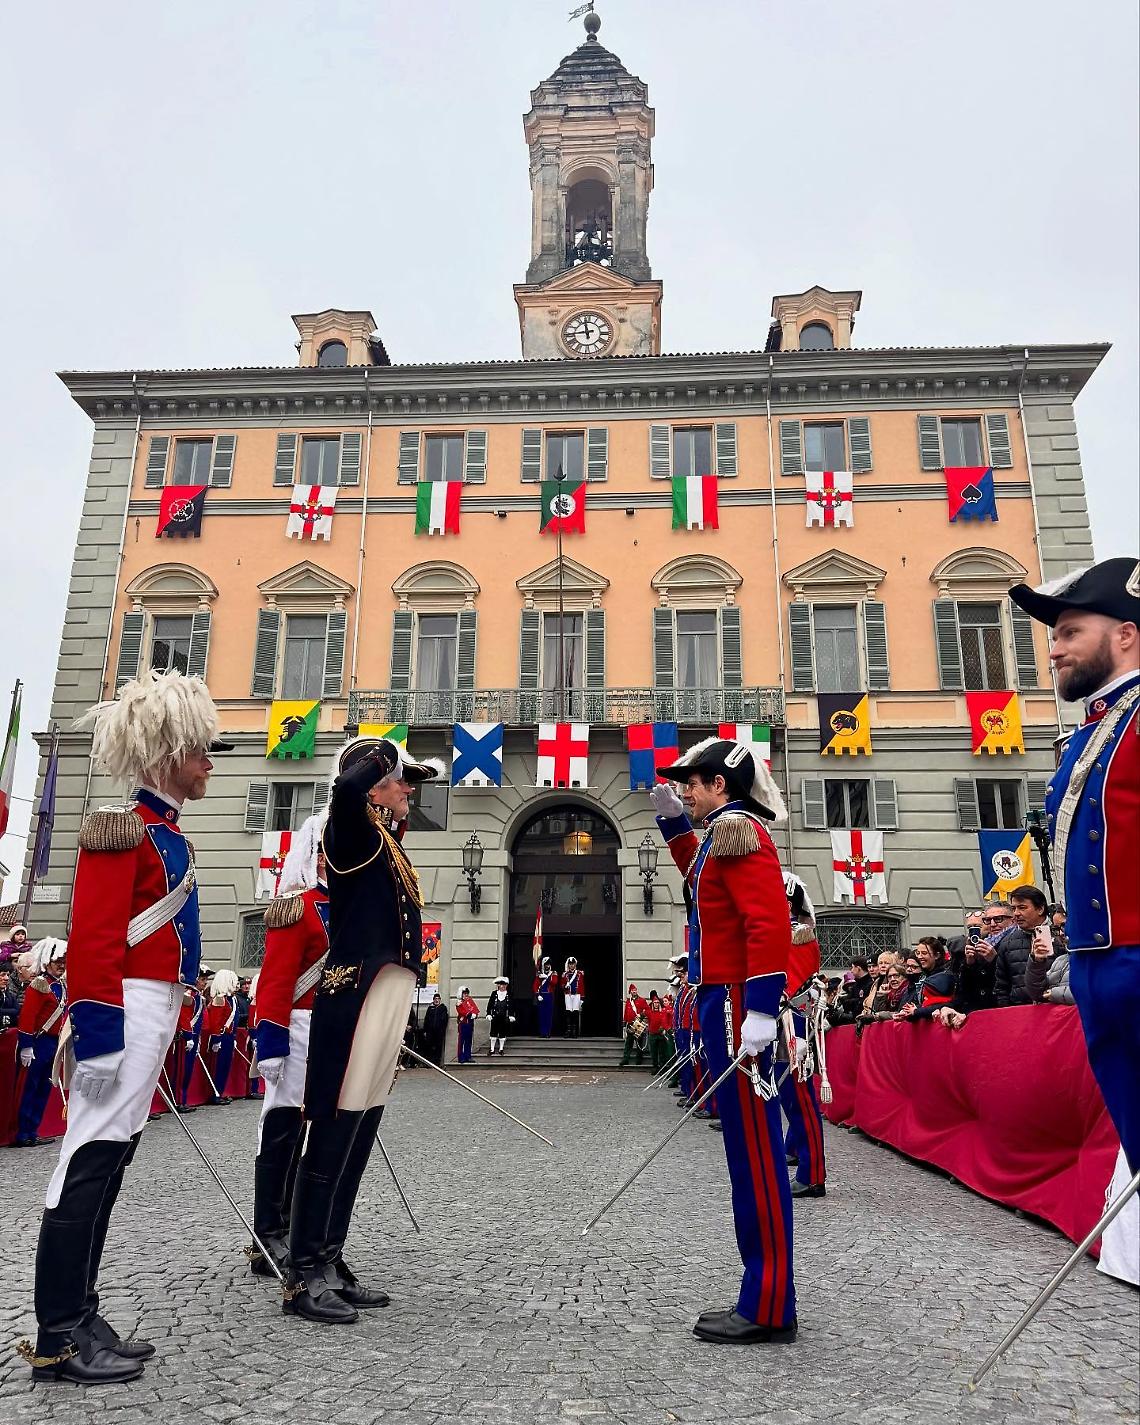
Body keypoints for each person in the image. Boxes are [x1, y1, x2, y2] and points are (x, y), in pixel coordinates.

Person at [19, 670, 230, 1385]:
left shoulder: (168, 833)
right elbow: (98, 939)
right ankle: (57, 1332)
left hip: (155, 1005)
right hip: (126, 1008)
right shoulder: (122, 828)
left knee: (111, 1161)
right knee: (85, 1161)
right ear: (167, 750)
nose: (208, 760)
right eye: (199, 748)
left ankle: (82, 1308)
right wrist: (101, 1035)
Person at [283, 735, 443, 1325]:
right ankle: (302, 1272)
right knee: (334, 1125)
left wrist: (392, 775)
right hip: (356, 993)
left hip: (389, 988)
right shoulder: (348, 829)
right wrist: (379, 753)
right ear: (373, 784)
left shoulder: (384, 837)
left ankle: (330, 1255)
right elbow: (345, 788)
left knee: (361, 1125)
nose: (410, 789)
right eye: (402, 780)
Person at [651, 736, 797, 1345]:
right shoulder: (716, 836)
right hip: (721, 999)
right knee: (743, 1150)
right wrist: (671, 825)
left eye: (694, 781)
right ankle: (760, 1291)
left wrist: (761, 1009)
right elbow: (701, 885)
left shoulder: (740, 831)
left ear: (723, 786)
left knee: (758, 1154)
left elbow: (767, 922)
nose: (686, 788)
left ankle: (768, 1304)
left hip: (740, 1000)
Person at [1010, 557, 1140, 1172]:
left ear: (1125, 633)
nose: (1053, 649)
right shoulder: (1089, 733)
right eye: (1053, 635)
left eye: (1069, 632)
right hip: (1094, 964)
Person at [248, 814, 329, 1280]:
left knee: (318, 1134)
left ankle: (299, 1229)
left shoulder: (351, 907)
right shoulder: (296, 907)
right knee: (282, 1129)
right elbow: (276, 981)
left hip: (332, 1033)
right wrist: (272, 1041)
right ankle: (267, 1232)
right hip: (297, 1029)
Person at [776, 876, 827, 1200]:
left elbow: (792, 981)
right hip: (779, 1020)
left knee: (802, 1096)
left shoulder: (799, 935)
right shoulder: (779, 932)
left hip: (795, 1020)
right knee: (786, 1092)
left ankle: (813, 1174)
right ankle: (794, 1147)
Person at [13, 939, 67, 1148]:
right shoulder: (40, 984)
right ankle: (22, 1132)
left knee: (44, 1087)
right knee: (30, 1087)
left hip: (54, 1043)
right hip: (38, 1042)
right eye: (57, 961)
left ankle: (33, 1130)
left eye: (63, 960)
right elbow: (28, 1017)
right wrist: (26, 1044)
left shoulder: (60, 985)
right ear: (47, 962)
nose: (61, 965)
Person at [994, 886, 1052, 1007]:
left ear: (1040, 909)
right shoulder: (1007, 943)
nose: (1016, 913)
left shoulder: (1061, 938)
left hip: (1058, 1012)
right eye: (1013, 908)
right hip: (1021, 1014)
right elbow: (1002, 988)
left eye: (1022, 908)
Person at [204, 968, 240, 1104]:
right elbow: (216, 1021)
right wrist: (216, 1039)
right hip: (221, 1037)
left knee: (225, 1066)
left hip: (229, 1037)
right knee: (218, 1067)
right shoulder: (220, 999)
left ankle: (220, 1091)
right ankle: (215, 1093)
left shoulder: (231, 999)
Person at [177, 969, 210, 1110]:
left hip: (194, 1037)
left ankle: (183, 1100)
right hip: (186, 1038)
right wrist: (189, 1037)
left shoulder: (197, 996)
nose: (205, 982)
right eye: (202, 979)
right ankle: (179, 1100)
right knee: (183, 1070)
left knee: (189, 1070)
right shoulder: (188, 995)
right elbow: (185, 1017)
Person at [620, 983, 650, 1066]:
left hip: (638, 1023)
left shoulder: (642, 1000)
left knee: (639, 1043)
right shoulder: (629, 1002)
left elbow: (648, 1010)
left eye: (635, 990)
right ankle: (625, 1059)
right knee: (628, 1043)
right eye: (633, 990)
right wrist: (624, 1023)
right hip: (630, 1024)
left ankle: (639, 1059)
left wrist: (642, 1015)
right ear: (630, 992)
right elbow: (626, 1013)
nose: (634, 991)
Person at [486, 975, 515, 1055]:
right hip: (495, 1016)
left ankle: (501, 1049)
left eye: (504, 985)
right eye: (501, 985)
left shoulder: (509, 994)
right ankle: (492, 1049)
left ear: (506, 985)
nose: (502, 986)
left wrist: (511, 1015)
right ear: (498, 985)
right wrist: (488, 1014)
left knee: (502, 1032)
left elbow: (512, 1006)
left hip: (504, 1016)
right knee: (493, 1032)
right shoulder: (494, 993)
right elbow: (490, 1005)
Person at [532, 956, 559, 1038]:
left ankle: (547, 1032)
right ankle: (542, 1032)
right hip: (541, 996)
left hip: (549, 995)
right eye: (546, 964)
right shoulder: (539, 973)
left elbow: (555, 982)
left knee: (548, 1015)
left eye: (549, 964)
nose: (547, 966)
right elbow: (535, 985)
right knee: (541, 1015)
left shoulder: (553, 973)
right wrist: (537, 994)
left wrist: (547, 977)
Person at [421, 993, 449, 1065]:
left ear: (440, 1000)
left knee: (438, 1047)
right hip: (430, 1032)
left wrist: (442, 1030)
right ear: (433, 1000)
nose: (437, 1000)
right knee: (429, 1046)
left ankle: (437, 1063)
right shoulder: (430, 1008)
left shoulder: (443, 1008)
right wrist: (425, 1030)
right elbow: (426, 1020)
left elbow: (444, 1020)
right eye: (435, 999)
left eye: (438, 999)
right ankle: (429, 1062)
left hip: (439, 1032)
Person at [646, 990, 669, 1075]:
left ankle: (662, 1067)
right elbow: (642, 1014)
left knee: (662, 1052)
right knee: (654, 1052)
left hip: (661, 1035)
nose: (656, 1004)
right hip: (652, 1034)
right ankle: (654, 1067)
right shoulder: (649, 1012)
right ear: (653, 1003)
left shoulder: (662, 1011)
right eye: (655, 1002)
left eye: (657, 1002)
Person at [562, 956, 585, 1037]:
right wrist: (565, 986)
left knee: (575, 1012)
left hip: (577, 995)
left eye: (573, 964)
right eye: (570, 964)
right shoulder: (565, 974)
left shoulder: (579, 973)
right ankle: (568, 1031)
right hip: (568, 994)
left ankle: (574, 1031)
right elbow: (562, 984)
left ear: (575, 964)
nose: (571, 965)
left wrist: (582, 998)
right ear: (568, 965)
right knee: (568, 1012)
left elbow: (582, 985)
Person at [455, 986, 479, 1063]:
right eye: (464, 993)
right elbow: (461, 1011)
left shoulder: (470, 1000)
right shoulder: (459, 1003)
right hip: (463, 1023)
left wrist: (475, 1014)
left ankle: (468, 1056)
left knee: (469, 1040)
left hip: (470, 1023)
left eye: (466, 993)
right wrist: (469, 1014)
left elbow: (474, 1008)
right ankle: (460, 1057)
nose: (466, 995)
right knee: (461, 1041)